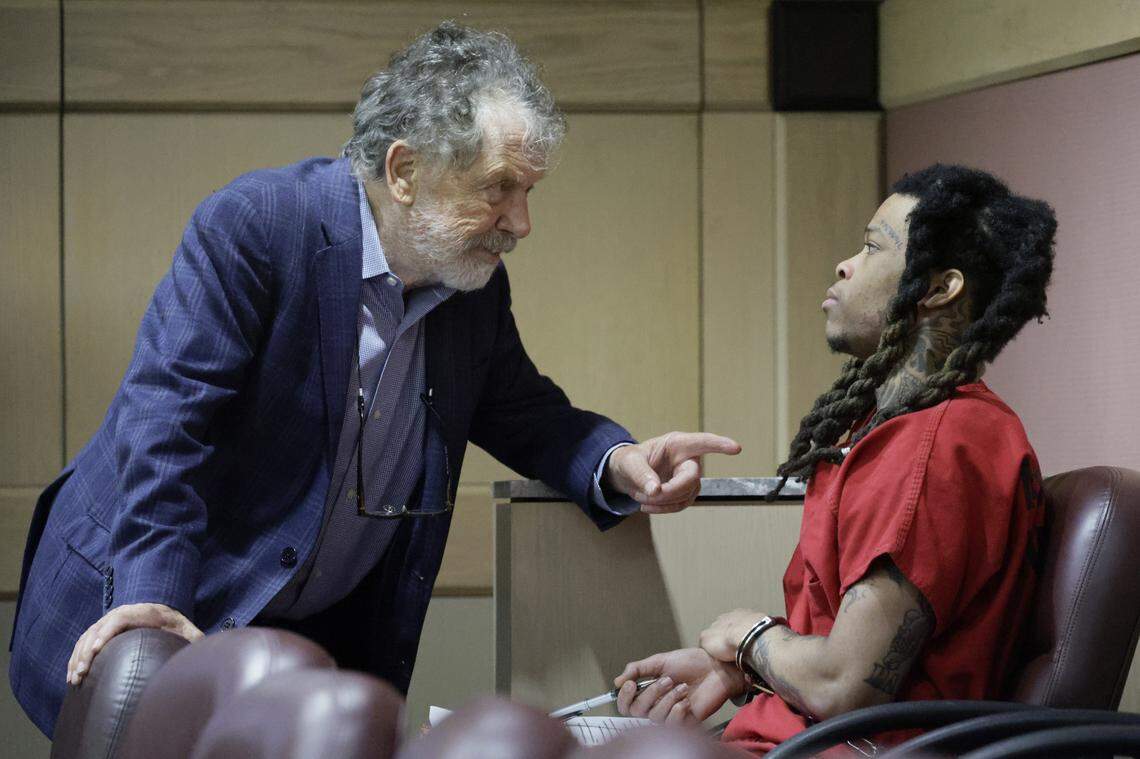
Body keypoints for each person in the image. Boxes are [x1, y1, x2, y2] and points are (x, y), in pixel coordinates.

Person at [9, 22, 740, 736]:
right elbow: (166, 423)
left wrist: (619, 463)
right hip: (154, 599)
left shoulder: (472, 285)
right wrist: (150, 610)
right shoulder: (260, 226)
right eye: (499, 188)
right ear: (403, 171)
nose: (521, 223)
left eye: (530, 192)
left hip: (305, 644)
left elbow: (521, 410)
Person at [613, 164, 1056, 754]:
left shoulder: (940, 443)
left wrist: (747, 636)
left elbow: (847, 686)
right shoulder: (901, 431)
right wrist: (736, 671)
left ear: (937, 288)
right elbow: (848, 651)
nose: (844, 264)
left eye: (872, 247)